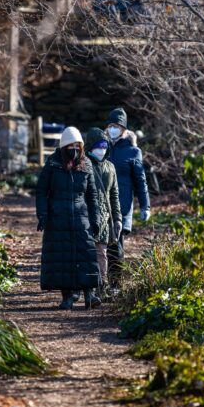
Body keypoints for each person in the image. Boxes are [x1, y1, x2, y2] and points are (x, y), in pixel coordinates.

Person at [36, 126, 103, 309]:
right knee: (62, 258)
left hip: (81, 217)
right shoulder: (52, 164)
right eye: (71, 146)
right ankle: (67, 297)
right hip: (57, 218)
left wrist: (96, 219)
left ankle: (90, 295)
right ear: (64, 146)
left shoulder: (86, 165)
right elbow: (41, 191)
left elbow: (92, 196)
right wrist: (42, 214)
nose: (75, 149)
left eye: (77, 145)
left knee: (86, 256)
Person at [105, 108, 150, 289]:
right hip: (100, 205)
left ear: (123, 129)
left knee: (116, 248)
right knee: (100, 247)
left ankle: (115, 285)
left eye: (116, 126)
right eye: (110, 126)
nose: (113, 129)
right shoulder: (102, 147)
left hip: (122, 206)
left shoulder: (133, 151)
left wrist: (145, 206)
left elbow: (141, 181)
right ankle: (98, 285)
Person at [85, 127, 122, 298]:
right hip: (86, 217)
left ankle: (101, 286)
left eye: (104, 146)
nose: (102, 149)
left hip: (105, 218)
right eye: (98, 146)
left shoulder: (110, 167)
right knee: (85, 254)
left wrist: (118, 218)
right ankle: (84, 288)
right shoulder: (84, 165)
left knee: (102, 253)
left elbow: (114, 195)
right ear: (90, 146)